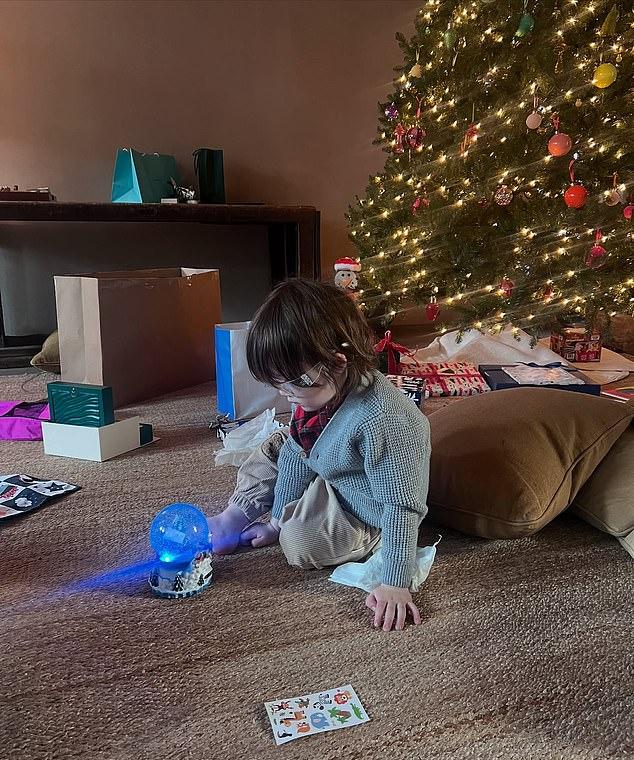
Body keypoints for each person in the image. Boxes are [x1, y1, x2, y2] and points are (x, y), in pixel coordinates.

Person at [209, 279, 430, 632]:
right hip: (329, 468)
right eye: (276, 385)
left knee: (298, 541)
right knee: (275, 447)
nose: (284, 395)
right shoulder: (317, 393)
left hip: (364, 508)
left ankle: (355, 537)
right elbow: (296, 455)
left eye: (290, 384)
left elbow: (401, 506)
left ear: (338, 364)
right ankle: (235, 515)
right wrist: (275, 518)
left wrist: (394, 581)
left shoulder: (384, 420)